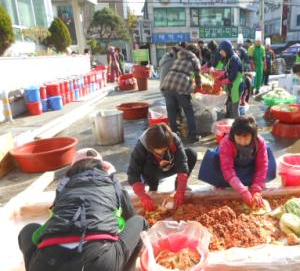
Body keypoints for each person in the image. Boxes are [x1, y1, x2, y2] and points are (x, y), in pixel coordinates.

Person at [18, 148, 147, 271]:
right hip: (99, 261)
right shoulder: (111, 181)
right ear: (103, 166)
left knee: (28, 229)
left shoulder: (64, 185)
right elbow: (130, 215)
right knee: (139, 222)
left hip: (47, 262)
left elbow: (55, 214)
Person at [198, 116, 276, 207]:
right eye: (238, 138)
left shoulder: (259, 142)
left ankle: (253, 183)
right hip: (227, 169)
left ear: (253, 135)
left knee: (268, 154)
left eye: (246, 137)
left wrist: (256, 189)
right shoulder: (226, 142)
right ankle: (222, 183)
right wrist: (243, 191)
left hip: (248, 166)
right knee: (214, 159)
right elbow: (227, 169)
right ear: (233, 135)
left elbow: (262, 166)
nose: (242, 141)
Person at [127, 124, 197, 211]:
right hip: (153, 172)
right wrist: (142, 196)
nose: (161, 152)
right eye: (158, 150)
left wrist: (180, 190)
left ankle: (177, 187)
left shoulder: (173, 139)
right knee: (145, 167)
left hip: (170, 166)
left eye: (164, 149)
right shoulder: (141, 146)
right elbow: (133, 173)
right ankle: (152, 188)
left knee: (191, 153)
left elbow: (182, 163)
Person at [160, 44, 202, 143]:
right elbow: (198, 76)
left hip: (167, 83)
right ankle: (193, 135)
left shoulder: (179, 56)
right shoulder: (194, 59)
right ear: (196, 52)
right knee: (188, 110)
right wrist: (198, 87)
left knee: (171, 111)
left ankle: (173, 137)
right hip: (181, 86)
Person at [216, 40, 243, 118]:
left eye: (222, 51)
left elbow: (232, 76)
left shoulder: (234, 59)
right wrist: (220, 77)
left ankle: (238, 126)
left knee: (235, 110)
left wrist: (221, 82)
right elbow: (227, 71)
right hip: (231, 86)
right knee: (230, 107)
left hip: (237, 86)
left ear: (227, 50)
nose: (221, 53)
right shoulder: (229, 58)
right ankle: (232, 125)